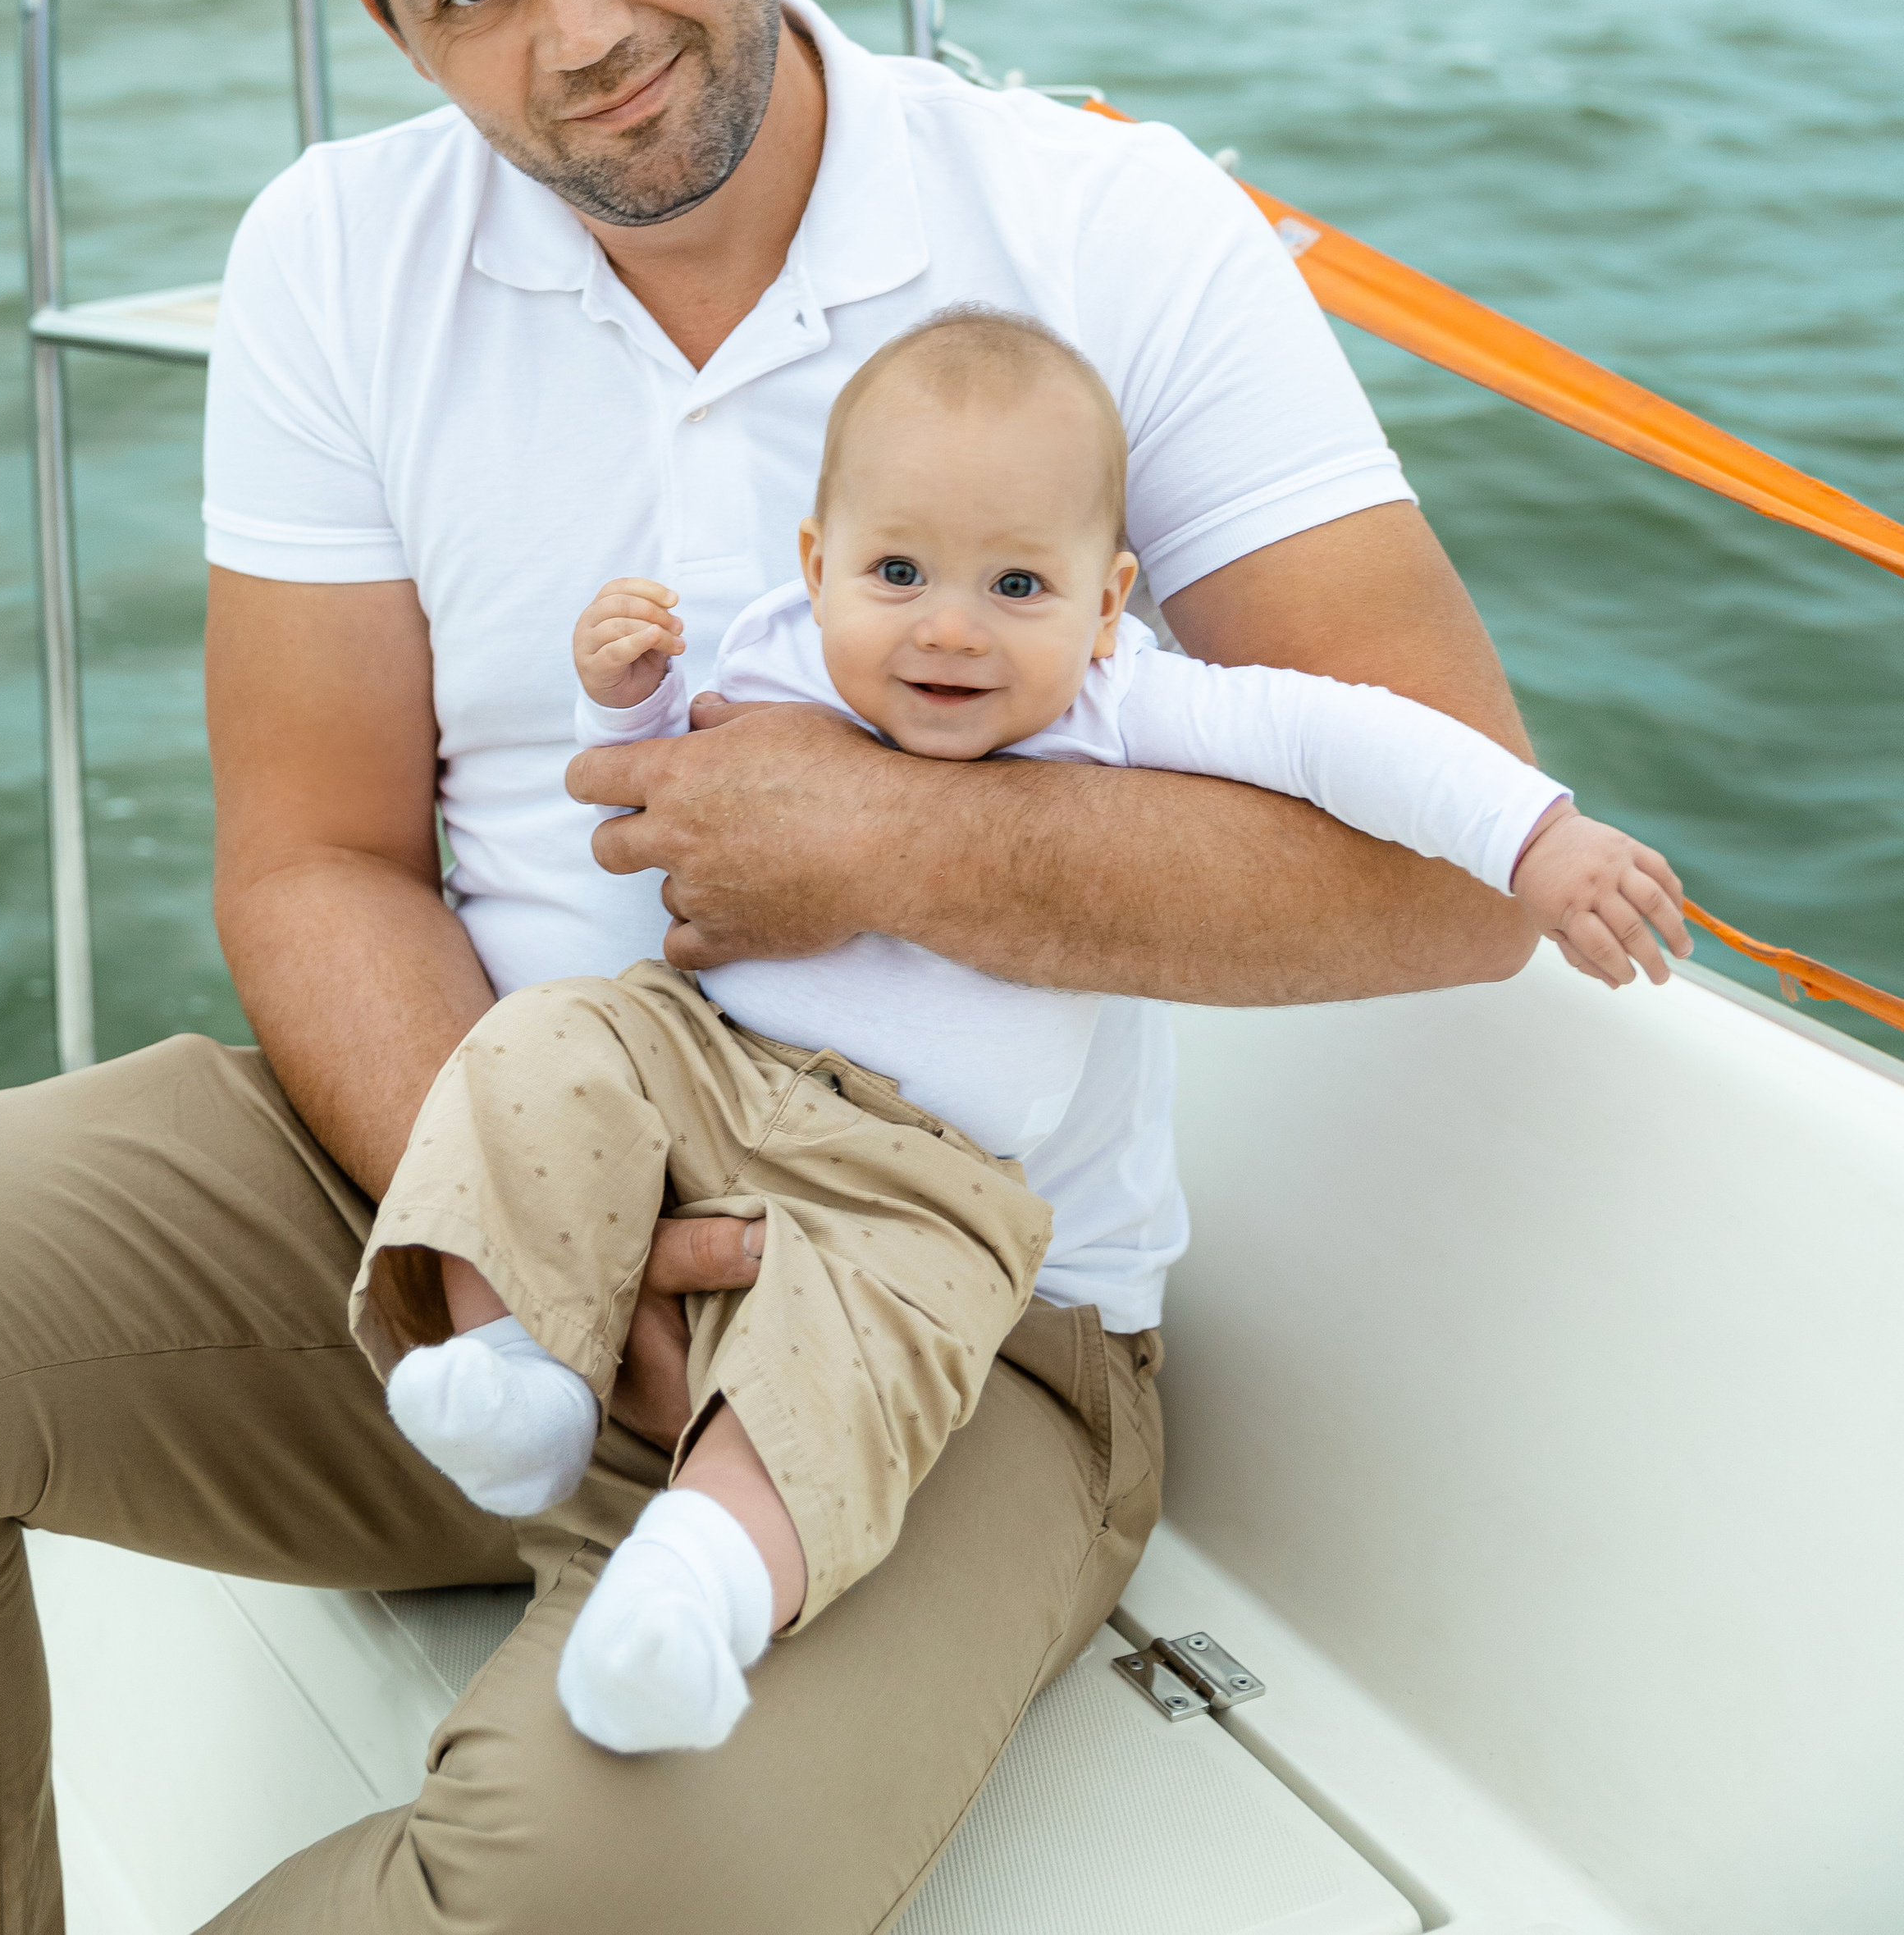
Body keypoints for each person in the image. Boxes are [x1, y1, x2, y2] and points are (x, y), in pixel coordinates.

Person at [0, 0, 1689, 1935]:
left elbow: (1455, 870)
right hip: (465, 1181)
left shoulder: (1106, 229)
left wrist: (891, 836)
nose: (578, 35)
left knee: (579, 1895)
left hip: (957, 1311)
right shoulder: (335, 256)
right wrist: (548, 1245)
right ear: (401, 33)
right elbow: (316, 854)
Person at [361, 306, 1686, 1759]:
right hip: (704, 1068)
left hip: (917, 1177)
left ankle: (702, 1585)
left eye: (1015, 583)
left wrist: (1535, 838)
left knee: (854, 1353)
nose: (946, 624)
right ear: (818, 566)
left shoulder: (1125, 708)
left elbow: (1341, 734)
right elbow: (655, 762)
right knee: (543, 1043)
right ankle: (517, 1365)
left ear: (1106, 601)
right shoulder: (786, 646)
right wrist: (624, 684)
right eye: (899, 570)